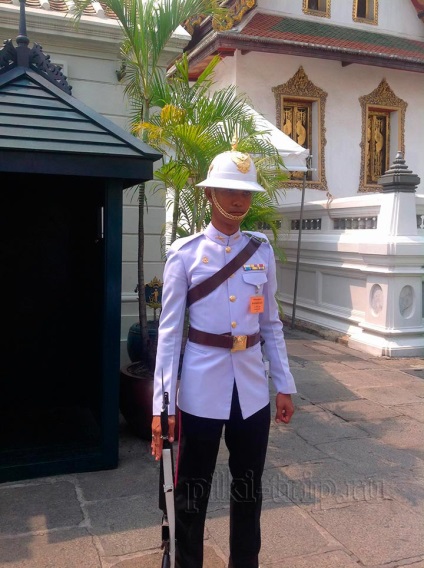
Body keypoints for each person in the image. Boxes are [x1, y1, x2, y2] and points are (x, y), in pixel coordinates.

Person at [151, 150, 296, 568]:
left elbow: (270, 324)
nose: (238, 201)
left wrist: (284, 384)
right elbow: (169, 332)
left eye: (246, 193)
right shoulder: (186, 254)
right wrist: (162, 405)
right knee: (192, 490)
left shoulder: (260, 250)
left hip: (251, 389)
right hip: (200, 388)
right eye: (230, 191)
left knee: (249, 488)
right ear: (210, 192)